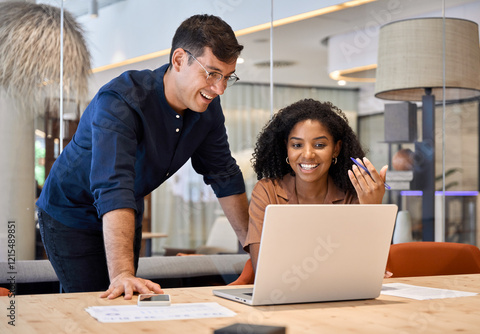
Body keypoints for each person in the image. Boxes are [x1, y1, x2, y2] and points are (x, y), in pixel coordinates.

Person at [36, 14, 249, 299]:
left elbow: (224, 175)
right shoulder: (121, 101)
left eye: (226, 77)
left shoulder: (208, 109)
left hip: (126, 209)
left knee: (128, 299)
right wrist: (122, 273)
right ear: (178, 60)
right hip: (72, 211)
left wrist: (255, 250)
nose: (219, 88)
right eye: (211, 73)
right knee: (97, 299)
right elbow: (114, 186)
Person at [236, 99, 388, 283]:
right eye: (297, 145)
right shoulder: (268, 191)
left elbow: (368, 267)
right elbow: (264, 269)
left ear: (336, 149)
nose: (308, 154)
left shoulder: (352, 193)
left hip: (342, 298)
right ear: (286, 148)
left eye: (319, 145)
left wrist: (372, 210)